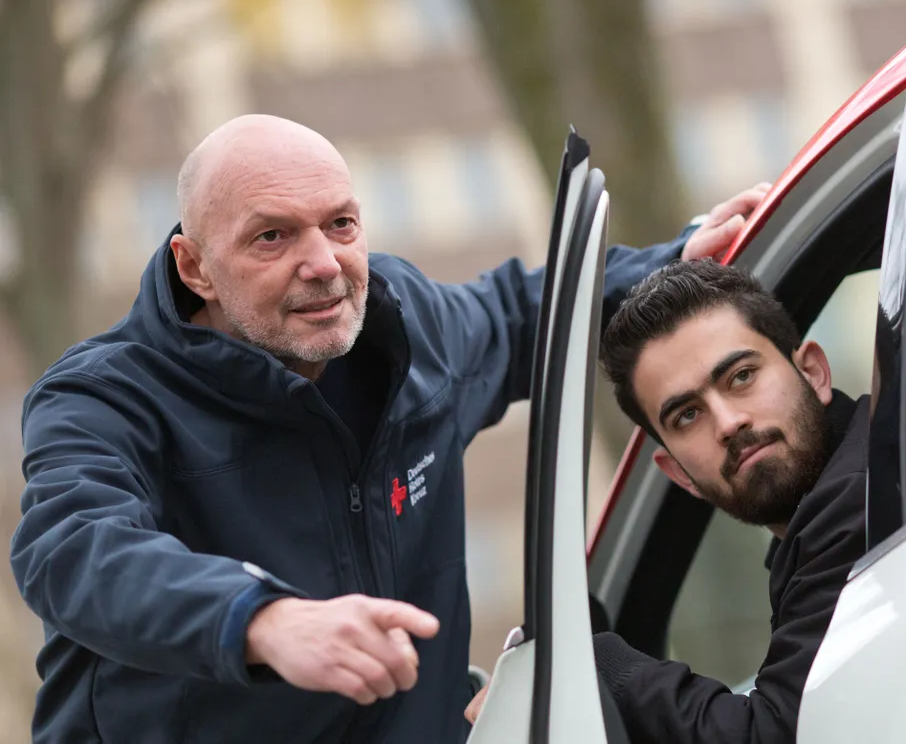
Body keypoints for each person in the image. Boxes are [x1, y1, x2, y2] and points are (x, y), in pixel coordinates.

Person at [8, 113, 768, 744]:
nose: (323, 265)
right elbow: (74, 549)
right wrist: (262, 620)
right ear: (195, 266)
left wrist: (669, 261)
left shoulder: (406, 329)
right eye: (271, 237)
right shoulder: (103, 397)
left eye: (339, 224)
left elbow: (519, 314)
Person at [467, 259, 869, 743]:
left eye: (741, 376)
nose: (727, 423)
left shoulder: (863, 497)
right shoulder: (832, 515)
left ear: (814, 373)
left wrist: (592, 661)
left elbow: (774, 736)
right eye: (686, 415)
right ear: (679, 474)